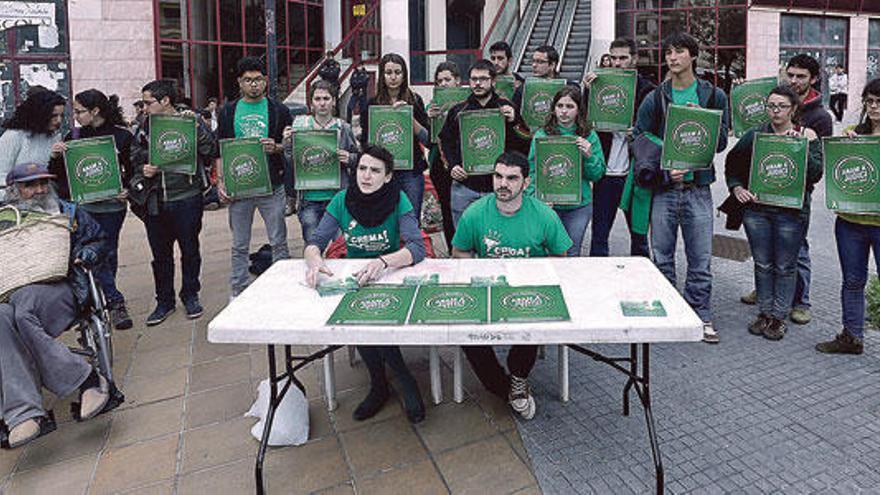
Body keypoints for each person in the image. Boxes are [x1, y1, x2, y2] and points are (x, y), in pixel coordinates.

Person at [303, 144, 426, 423]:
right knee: (357, 317)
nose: (366, 176)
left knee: (375, 317)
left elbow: (417, 248)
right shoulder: (341, 200)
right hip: (356, 276)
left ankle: (401, 381)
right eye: (362, 168)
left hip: (391, 274)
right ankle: (381, 382)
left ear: (388, 176)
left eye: (375, 170)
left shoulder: (400, 199)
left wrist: (384, 261)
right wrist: (314, 261)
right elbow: (316, 242)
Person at [451, 151, 572, 420]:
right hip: (489, 290)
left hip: (529, 292)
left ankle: (518, 376)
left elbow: (560, 259)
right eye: (498, 176)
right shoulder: (475, 213)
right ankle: (503, 386)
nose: (502, 183)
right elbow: (459, 253)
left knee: (530, 321)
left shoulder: (544, 215)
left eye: (511, 178)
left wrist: (536, 280)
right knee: (464, 329)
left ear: (525, 183)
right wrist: (479, 274)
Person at [0, 162, 110, 448]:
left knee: (24, 310)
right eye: (29, 185)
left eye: (42, 184)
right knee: (1, 317)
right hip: (9, 292)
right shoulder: (3, 219)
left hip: (61, 287)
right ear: (14, 190)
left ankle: (87, 381)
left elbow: (99, 240)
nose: (38, 190)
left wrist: (85, 253)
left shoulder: (67, 212)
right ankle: (23, 413)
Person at [634, 32, 730, 343]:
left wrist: (700, 125)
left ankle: (700, 315)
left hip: (697, 189)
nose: (672, 58)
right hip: (664, 189)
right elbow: (640, 136)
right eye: (669, 52)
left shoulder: (714, 95)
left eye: (679, 52)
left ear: (693, 56)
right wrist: (667, 162)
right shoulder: (655, 97)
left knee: (700, 259)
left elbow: (721, 142)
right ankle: (669, 314)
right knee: (661, 256)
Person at [724, 85, 822, 341]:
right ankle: (764, 313)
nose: (775, 111)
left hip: (791, 212)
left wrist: (799, 149)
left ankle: (779, 317)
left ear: (794, 109)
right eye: (771, 106)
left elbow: (816, 174)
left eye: (781, 106)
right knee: (763, 263)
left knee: (785, 266)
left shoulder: (807, 135)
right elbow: (732, 163)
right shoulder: (756, 134)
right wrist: (737, 188)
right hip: (757, 210)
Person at [742, 54, 833, 325]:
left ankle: (800, 301)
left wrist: (802, 148)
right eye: (790, 75)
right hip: (764, 197)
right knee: (768, 258)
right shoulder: (769, 114)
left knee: (795, 253)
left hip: (794, 198)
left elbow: (817, 170)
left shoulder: (820, 117)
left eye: (800, 76)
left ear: (813, 79)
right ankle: (768, 298)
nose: (794, 80)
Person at [130, 79, 218, 325]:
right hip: (155, 199)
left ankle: (190, 294)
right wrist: (144, 165)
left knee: (190, 250)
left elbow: (210, 150)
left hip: (187, 197)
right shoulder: (144, 126)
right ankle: (164, 301)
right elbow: (133, 155)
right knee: (160, 254)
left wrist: (195, 128)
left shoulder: (191, 120)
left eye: (149, 103)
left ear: (165, 100)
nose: (144, 108)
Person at [48, 89, 135, 330]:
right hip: (84, 206)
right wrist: (55, 156)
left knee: (108, 252)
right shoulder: (73, 136)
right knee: (95, 254)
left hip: (111, 206)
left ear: (95, 110)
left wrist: (127, 188)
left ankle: (103, 299)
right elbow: (60, 174)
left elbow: (133, 167)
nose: (75, 116)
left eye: (79, 111)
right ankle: (114, 301)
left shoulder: (121, 136)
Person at [215, 57, 292, 299]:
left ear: (266, 81)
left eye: (258, 79)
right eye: (248, 80)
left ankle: (282, 287)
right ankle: (238, 290)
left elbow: (291, 145)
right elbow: (220, 150)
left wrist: (277, 147)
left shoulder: (279, 110)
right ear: (239, 82)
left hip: (272, 185)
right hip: (240, 187)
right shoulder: (227, 111)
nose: (254, 85)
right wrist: (221, 182)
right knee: (239, 244)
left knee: (279, 240)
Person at [816, 78, 880, 354]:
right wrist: (846, 145)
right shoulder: (855, 131)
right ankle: (851, 337)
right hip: (850, 221)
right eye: (870, 101)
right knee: (852, 281)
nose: (875, 106)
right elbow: (838, 169)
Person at [582, 37, 655, 257]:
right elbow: (584, 123)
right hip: (605, 175)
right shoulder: (599, 84)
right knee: (600, 234)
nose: (617, 63)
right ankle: (599, 283)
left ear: (634, 59)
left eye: (623, 58)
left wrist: (638, 132)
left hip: (634, 173)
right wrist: (588, 91)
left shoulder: (648, 90)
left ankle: (641, 280)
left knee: (639, 235)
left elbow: (658, 132)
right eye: (613, 58)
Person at [438, 59, 530, 226]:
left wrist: (515, 121)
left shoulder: (507, 107)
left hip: (498, 188)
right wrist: (452, 166)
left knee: (497, 241)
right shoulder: (459, 110)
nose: (478, 83)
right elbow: (444, 141)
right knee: (464, 242)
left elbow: (525, 143)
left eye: (483, 79)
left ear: (493, 81)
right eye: (474, 79)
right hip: (465, 186)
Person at [526, 86, 605, 256]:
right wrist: (535, 199)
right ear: (553, 109)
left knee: (571, 252)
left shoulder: (589, 135)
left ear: (578, 110)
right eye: (560, 106)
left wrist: (589, 156)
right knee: (546, 252)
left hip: (578, 206)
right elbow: (533, 172)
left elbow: (597, 174)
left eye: (570, 107)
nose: (564, 111)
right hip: (549, 205)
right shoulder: (542, 135)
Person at [285, 79, 359, 245]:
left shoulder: (343, 128)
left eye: (326, 98)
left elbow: (359, 159)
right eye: (317, 99)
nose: (322, 103)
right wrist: (287, 144)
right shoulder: (301, 127)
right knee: (313, 246)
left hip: (337, 197)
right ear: (311, 103)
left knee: (341, 247)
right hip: (309, 198)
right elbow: (292, 162)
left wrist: (349, 158)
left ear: (333, 101)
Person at [359, 53, 431, 223]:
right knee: (384, 220)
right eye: (388, 72)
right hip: (382, 171)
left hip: (410, 172)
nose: (393, 77)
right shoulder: (372, 104)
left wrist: (409, 117)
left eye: (398, 72)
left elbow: (428, 139)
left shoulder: (414, 100)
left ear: (404, 74)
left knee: (411, 219)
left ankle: (410, 250)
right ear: (382, 75)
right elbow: (365, 143)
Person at [0, 90, 66, 202]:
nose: (59, 120)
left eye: (61, 115)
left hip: (46, 201)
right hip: (16, 203)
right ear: (39, 114)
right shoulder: (13, 136)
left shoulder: (55, 137)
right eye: (53, 115)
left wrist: (55, 158)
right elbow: (1, 176)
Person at [426, 61, 461, 250]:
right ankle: (451, 249)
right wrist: (429, 119)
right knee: (447, 209)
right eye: (439, 81)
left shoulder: (467, 100)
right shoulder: (431, 106)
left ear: (457, 81)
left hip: (463, 162)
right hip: (440, 163)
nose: (444, 84)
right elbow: (426, 139)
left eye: (447, 79)